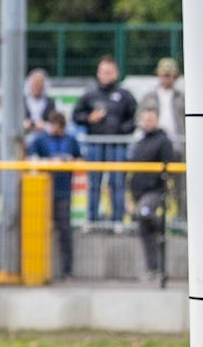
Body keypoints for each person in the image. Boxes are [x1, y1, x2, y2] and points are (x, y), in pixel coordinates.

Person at [73, 57, 137, 224]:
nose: (105, 75)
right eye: (102, 72)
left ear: (116, 74)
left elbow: (134, 119)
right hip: (95, 143)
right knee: (94, 183)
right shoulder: (90, 95)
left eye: (109, 72)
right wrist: (89, 118)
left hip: (117, 145)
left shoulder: (124, 95)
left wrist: (121, 130)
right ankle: (92, 220)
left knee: (117, 183)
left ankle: (118, 221)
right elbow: (76, 116)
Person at [127, 107, 180, 284]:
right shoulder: (139, 142)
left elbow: (168, 167)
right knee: (144, 231)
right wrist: (130, 197)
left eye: (151, 119)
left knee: (145, 213)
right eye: (145, 119)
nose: (147, 122)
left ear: (157, 120)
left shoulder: (163, 141)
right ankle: (152, 269)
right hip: (139, 193)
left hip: (155, 191)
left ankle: (161, 226)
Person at [28, 109, 82, 280]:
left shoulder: (70, 140)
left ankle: (67, 270)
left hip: (63, 192)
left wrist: (69, 162)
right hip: (42, 193)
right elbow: (30, 159)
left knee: (65, 232)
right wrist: (48, 162)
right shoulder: (40, 139)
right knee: (40, 232)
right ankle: (40, 271)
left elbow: (80, 160)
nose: (56, 130)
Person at [150, 58, 186, 149]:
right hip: (154, 145)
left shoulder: (182, 97)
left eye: (169, 75)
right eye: (164, 75)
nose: (166, 78)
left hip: (178, 144)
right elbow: (139, 119)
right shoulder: (149, 97)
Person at [20, 69, 54, 138]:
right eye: (34, 83)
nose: (37, 86)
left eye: (39, 83)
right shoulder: (21, 102)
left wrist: (45, 126)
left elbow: (57, 125)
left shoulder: (51, 103)